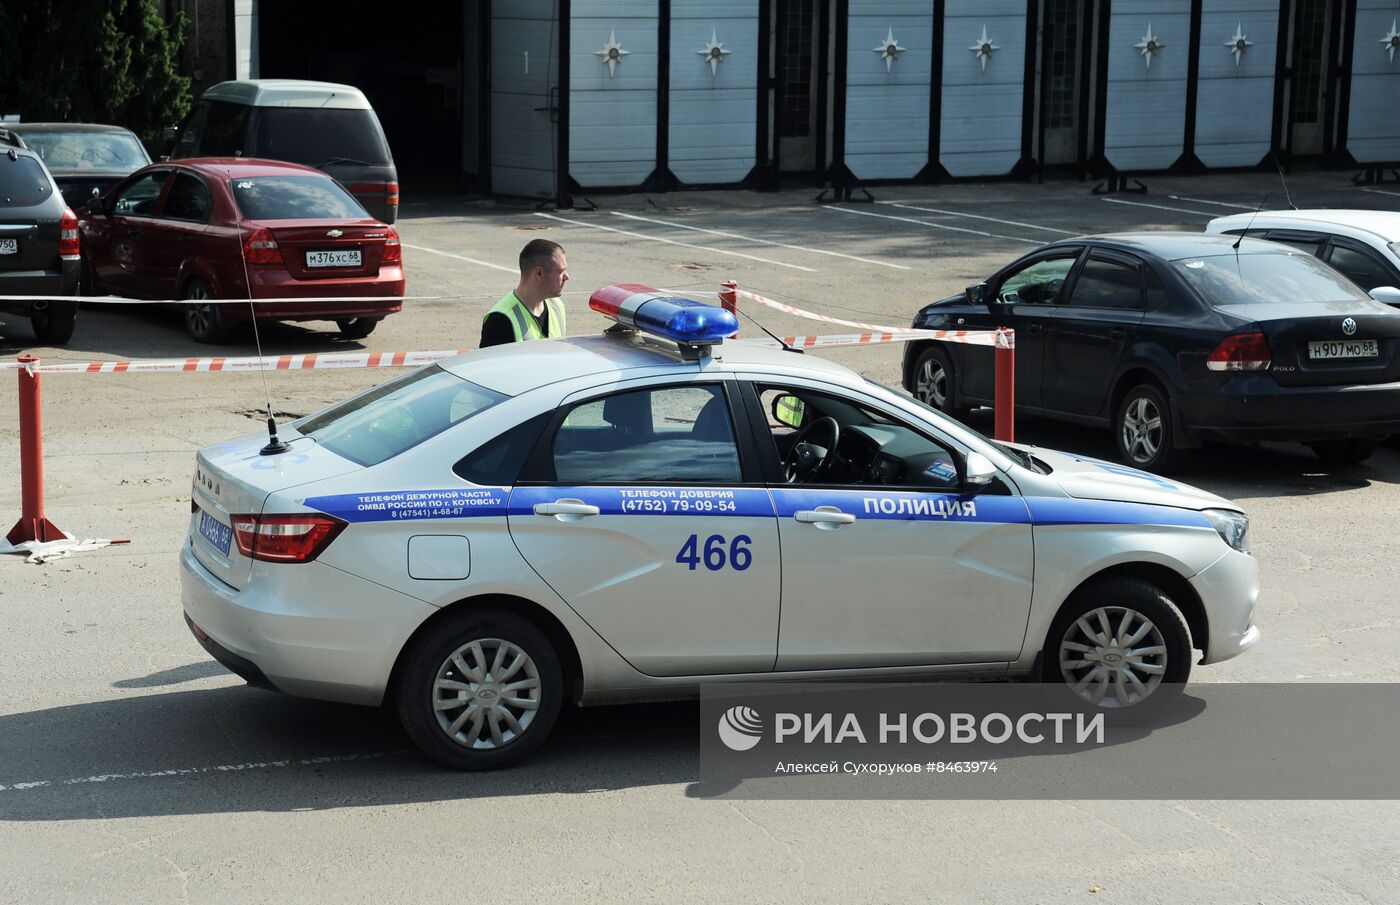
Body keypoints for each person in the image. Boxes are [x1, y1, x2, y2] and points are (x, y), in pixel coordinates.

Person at [480, 239, 570, 347]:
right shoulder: (501, 320)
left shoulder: (557, 306)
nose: (567, 277)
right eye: (560, 271)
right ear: (539, 273)